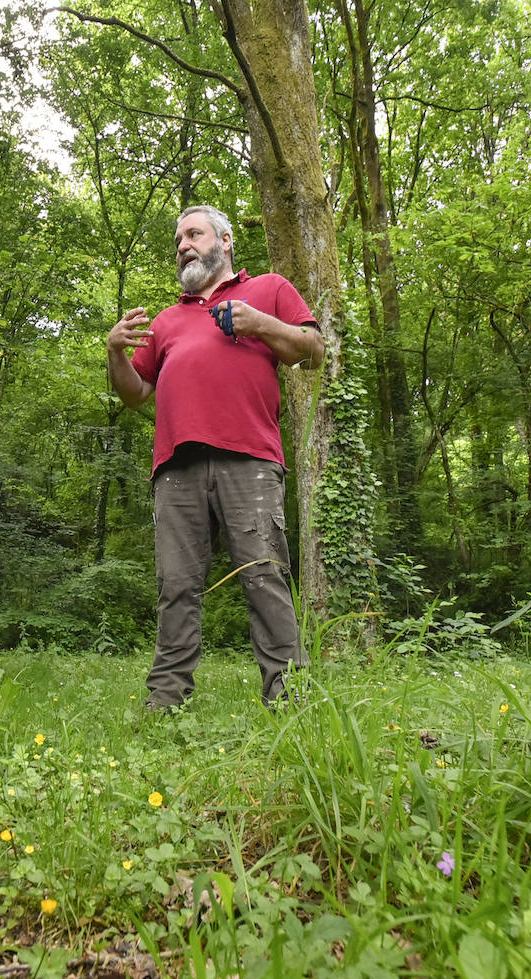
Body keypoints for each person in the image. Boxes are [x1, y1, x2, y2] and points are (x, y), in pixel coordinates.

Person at [106, 205, 324, 710]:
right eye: (178, 238)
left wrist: (260, 322)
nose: (183, 244)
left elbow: (313, 351)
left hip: (250, 459)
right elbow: (135, 393)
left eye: (194, 234)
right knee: (176, 586)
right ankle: (165, 700)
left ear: (225, 241)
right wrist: (116, 352)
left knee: (265, 576)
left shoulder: (267, 288)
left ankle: (289, 697)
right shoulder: (167, 320)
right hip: (175, 468)